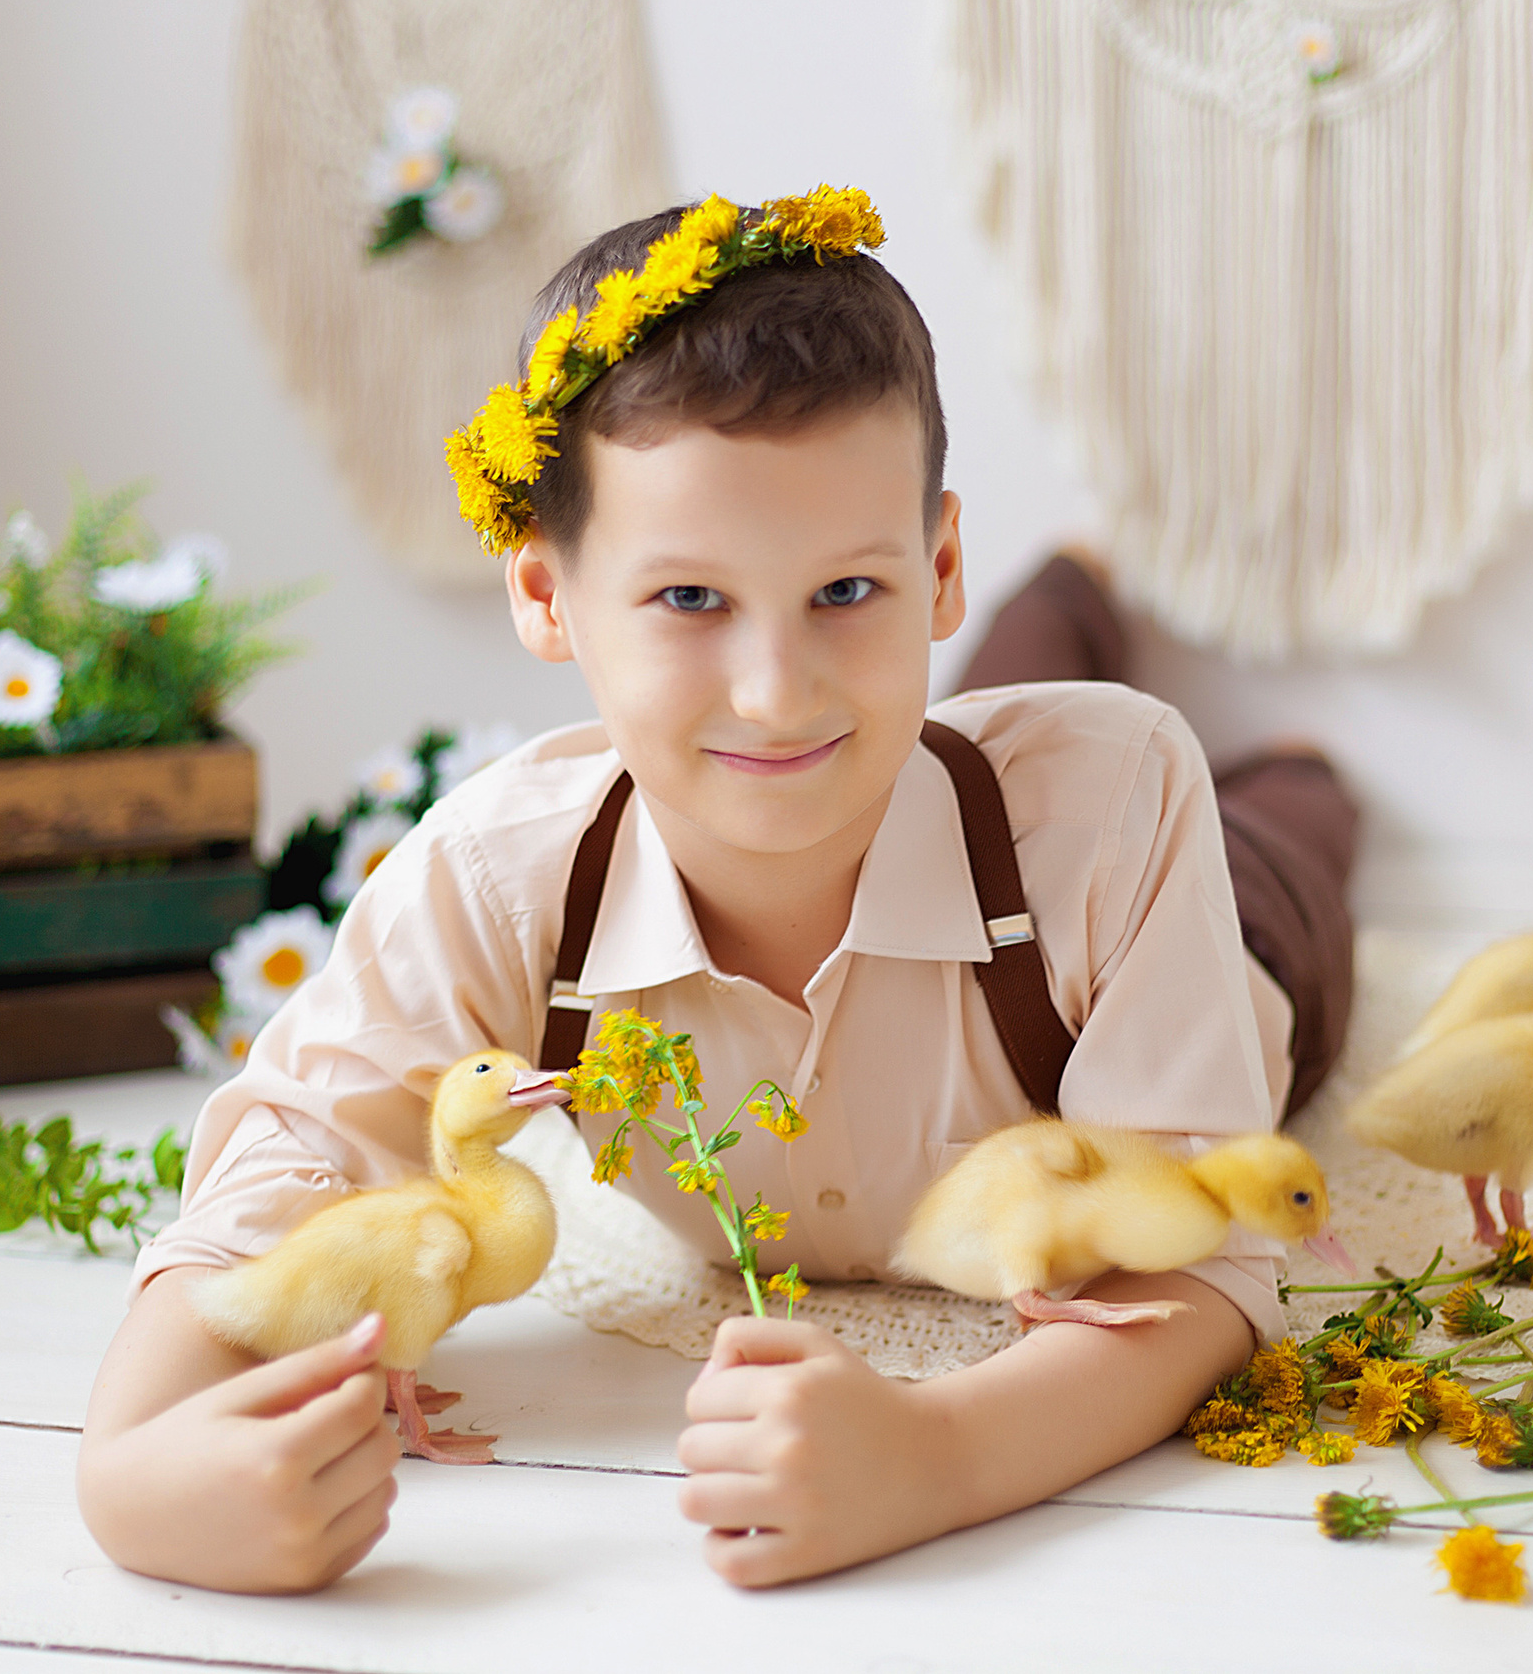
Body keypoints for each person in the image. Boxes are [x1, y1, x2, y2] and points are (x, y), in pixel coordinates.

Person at [75, 187, 1357, 1595]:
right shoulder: (502, 877)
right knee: (925, 710)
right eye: (690, 600)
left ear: (934, 563)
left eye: (848, 590)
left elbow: (1203, 1277)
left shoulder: (1113, 801)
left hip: (1231, 927)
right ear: (547, 598)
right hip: (920, 747)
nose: (769, 684)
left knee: (1283, 823)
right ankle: (1066, 589)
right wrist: (129, 1476)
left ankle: (1281, 752)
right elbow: (281, 1180)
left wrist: (934, 1460)